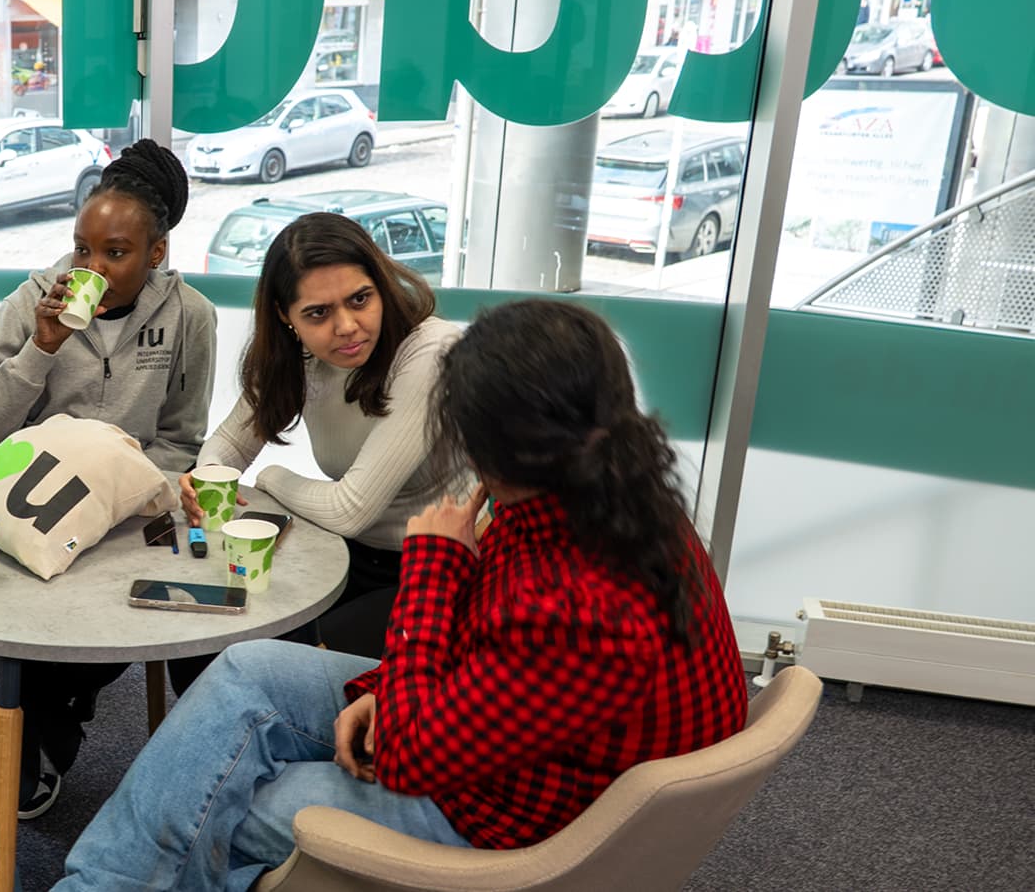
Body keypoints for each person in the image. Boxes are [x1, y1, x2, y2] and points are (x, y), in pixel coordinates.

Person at [56, 298, 751, 891]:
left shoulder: (574, 608)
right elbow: (486, 657)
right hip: (514, 749)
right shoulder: (609, 494)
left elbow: (414, 752)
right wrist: (386, 690)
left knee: (233, 803)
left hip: (514, 826)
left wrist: (434, 565)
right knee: (248, 667)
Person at [0, 138, 216, 819]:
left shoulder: (191, 317)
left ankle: (38, 717)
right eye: (81, 249)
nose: (90, 268)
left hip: (128, 508)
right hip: (32, 499)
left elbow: (181, 438)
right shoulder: (32, 302)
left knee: (137, 608)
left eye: (115, 253)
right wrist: (41, 349)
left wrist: (133, 494)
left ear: (156, 253)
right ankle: (48, 719)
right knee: (7, 599)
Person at [180, 211, 461, 668]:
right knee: (207, 635)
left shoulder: (430, 352)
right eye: (318, 313)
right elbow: (226, 445)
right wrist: (208, 479)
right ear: (285, 316)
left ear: (382, 285)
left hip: (440, 569)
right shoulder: (298, 357)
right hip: (347, 556)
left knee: (270, 657)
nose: (346, 326)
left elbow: (350, 510)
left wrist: (269, 476)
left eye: (360, 299)